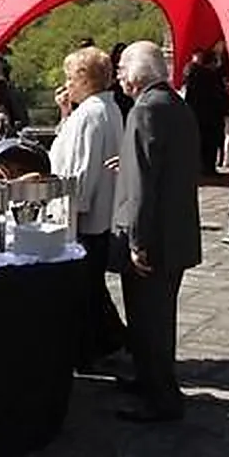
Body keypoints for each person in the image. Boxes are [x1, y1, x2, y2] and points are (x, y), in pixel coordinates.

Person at [111, 41, 202, 423]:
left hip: (155, 237)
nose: (118, 76)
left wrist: (137, 241)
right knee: (153, 317)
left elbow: (145, 185)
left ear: (136, 73)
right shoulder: (174, 104)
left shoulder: (146, 109)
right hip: (175, 232)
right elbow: (162, 163)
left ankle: (161, 396)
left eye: (121, 69)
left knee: (151, 321)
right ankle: (149, 381)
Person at [50, 47, 127, 366]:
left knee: (84, 290)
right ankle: (110, 341)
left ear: (85, 80)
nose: (67, 84)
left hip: (83, 218)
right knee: (92, 288)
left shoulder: (91, 115)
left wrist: (70, 211)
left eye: (71, 78)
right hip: (102, 213)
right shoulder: (107, 109)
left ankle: (94, 347)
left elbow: (81, 169)